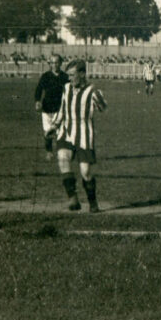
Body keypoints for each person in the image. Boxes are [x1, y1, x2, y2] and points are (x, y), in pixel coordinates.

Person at [53, 60, 107, 212]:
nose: (69, 78)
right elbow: (62, 110)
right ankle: (73, 199)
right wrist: (54, 126)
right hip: (66, 131)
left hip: (84, 134)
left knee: (86, 172)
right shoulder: (66, 88)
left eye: (72, 75)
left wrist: (99, 96)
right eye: (68, 75)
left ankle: (92, 202)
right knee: (63, 158)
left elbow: (103, 108)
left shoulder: (91, 91)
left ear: (82, 74)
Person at [34, 54, 70, 161]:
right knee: (48, 132)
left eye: (56, 62)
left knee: (60, 133)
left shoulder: (65, 77)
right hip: (47, 108)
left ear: (61, 63)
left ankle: (61, 153)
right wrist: (37, 101)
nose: (54, 65)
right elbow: (39, 89)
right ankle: (49, 152)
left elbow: (70, 92)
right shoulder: (45, 76)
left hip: (60, 109)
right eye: (52, 63)